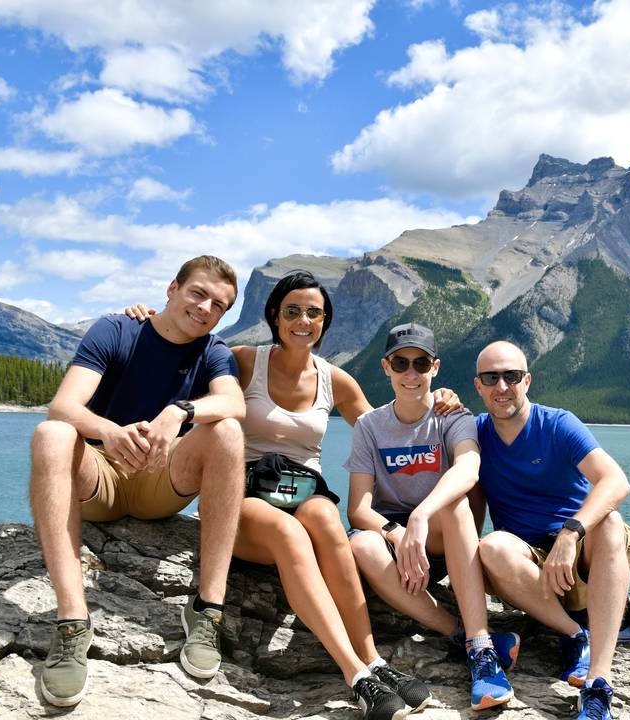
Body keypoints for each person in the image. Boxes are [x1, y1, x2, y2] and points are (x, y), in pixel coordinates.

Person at [126, 271, 442, 720]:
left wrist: (437, 402)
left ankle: (372, 658)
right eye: (292, 310)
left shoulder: (337, 381)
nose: (303, 320)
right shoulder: (243, 360)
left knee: (329, 522)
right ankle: (356, 675)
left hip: (305, 488)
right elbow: (178, 349)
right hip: (243, 490)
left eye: (314, 313)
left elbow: (388, 433)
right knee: (289, 533)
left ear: (324, 321)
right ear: (275, 315)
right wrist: (143, 320)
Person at [29, 255, 247, 707]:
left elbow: (233, 404)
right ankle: (72, 621)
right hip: (100, 476)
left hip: (158, 483)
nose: (206, 308)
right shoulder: (116, 330)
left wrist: (180, 410)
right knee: (52, 433)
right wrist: (108, 431)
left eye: (219, 305)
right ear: (172, 288)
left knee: (227, 431)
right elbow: (63, 405)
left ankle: (207, 611)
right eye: (198, 294)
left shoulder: (214, 352)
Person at [345, 323, 518, 712]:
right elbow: (358, 508)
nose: (411, 374)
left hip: (440, 532)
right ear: (385, 367)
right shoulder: (369, 427)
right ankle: (458, 634)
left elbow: (469, 468)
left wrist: (421, 517)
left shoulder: (453, 416)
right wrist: (397, 532)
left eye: (420, 363)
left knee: (455, 503)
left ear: (434, 367)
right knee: (360, 542)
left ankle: (481, 648)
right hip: (393, 536)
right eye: (400, 363)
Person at [470, 341, 630, 720]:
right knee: (491, 545)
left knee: (610, 522)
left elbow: (615, 481)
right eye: (490, 377)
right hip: (527, 568)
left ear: (527, 381)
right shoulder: (474, 433)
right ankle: (577, 636)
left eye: (511, 376)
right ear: (477, 386)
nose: (501, 386)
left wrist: (570, 533)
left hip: (580, 555)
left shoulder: (558, 424)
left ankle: (598, 685)